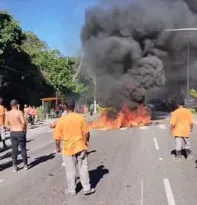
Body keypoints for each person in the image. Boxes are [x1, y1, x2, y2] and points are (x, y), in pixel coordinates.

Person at [54, 100, 95, 196]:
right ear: (74, 107)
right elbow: (87, 133)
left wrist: (58, 147)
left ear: (64, 107)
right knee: (83, 167)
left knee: (70, 170)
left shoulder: (62, 120)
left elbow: (57, 138)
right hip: (80, 146)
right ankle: (87, 188)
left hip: (68, 149)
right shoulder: (80, 118)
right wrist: (86, 142)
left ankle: (72, 190)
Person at [5, 99, 28, 172]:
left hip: (12, 132)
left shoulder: (8, 113)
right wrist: (24, 130)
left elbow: (6, 124)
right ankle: (25, 165)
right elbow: (23, 122)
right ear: (16, 105)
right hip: (20, 131)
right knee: (23, 148)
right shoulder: (19, 112)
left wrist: (11, 127)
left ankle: (14, 166)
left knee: (14, 149)